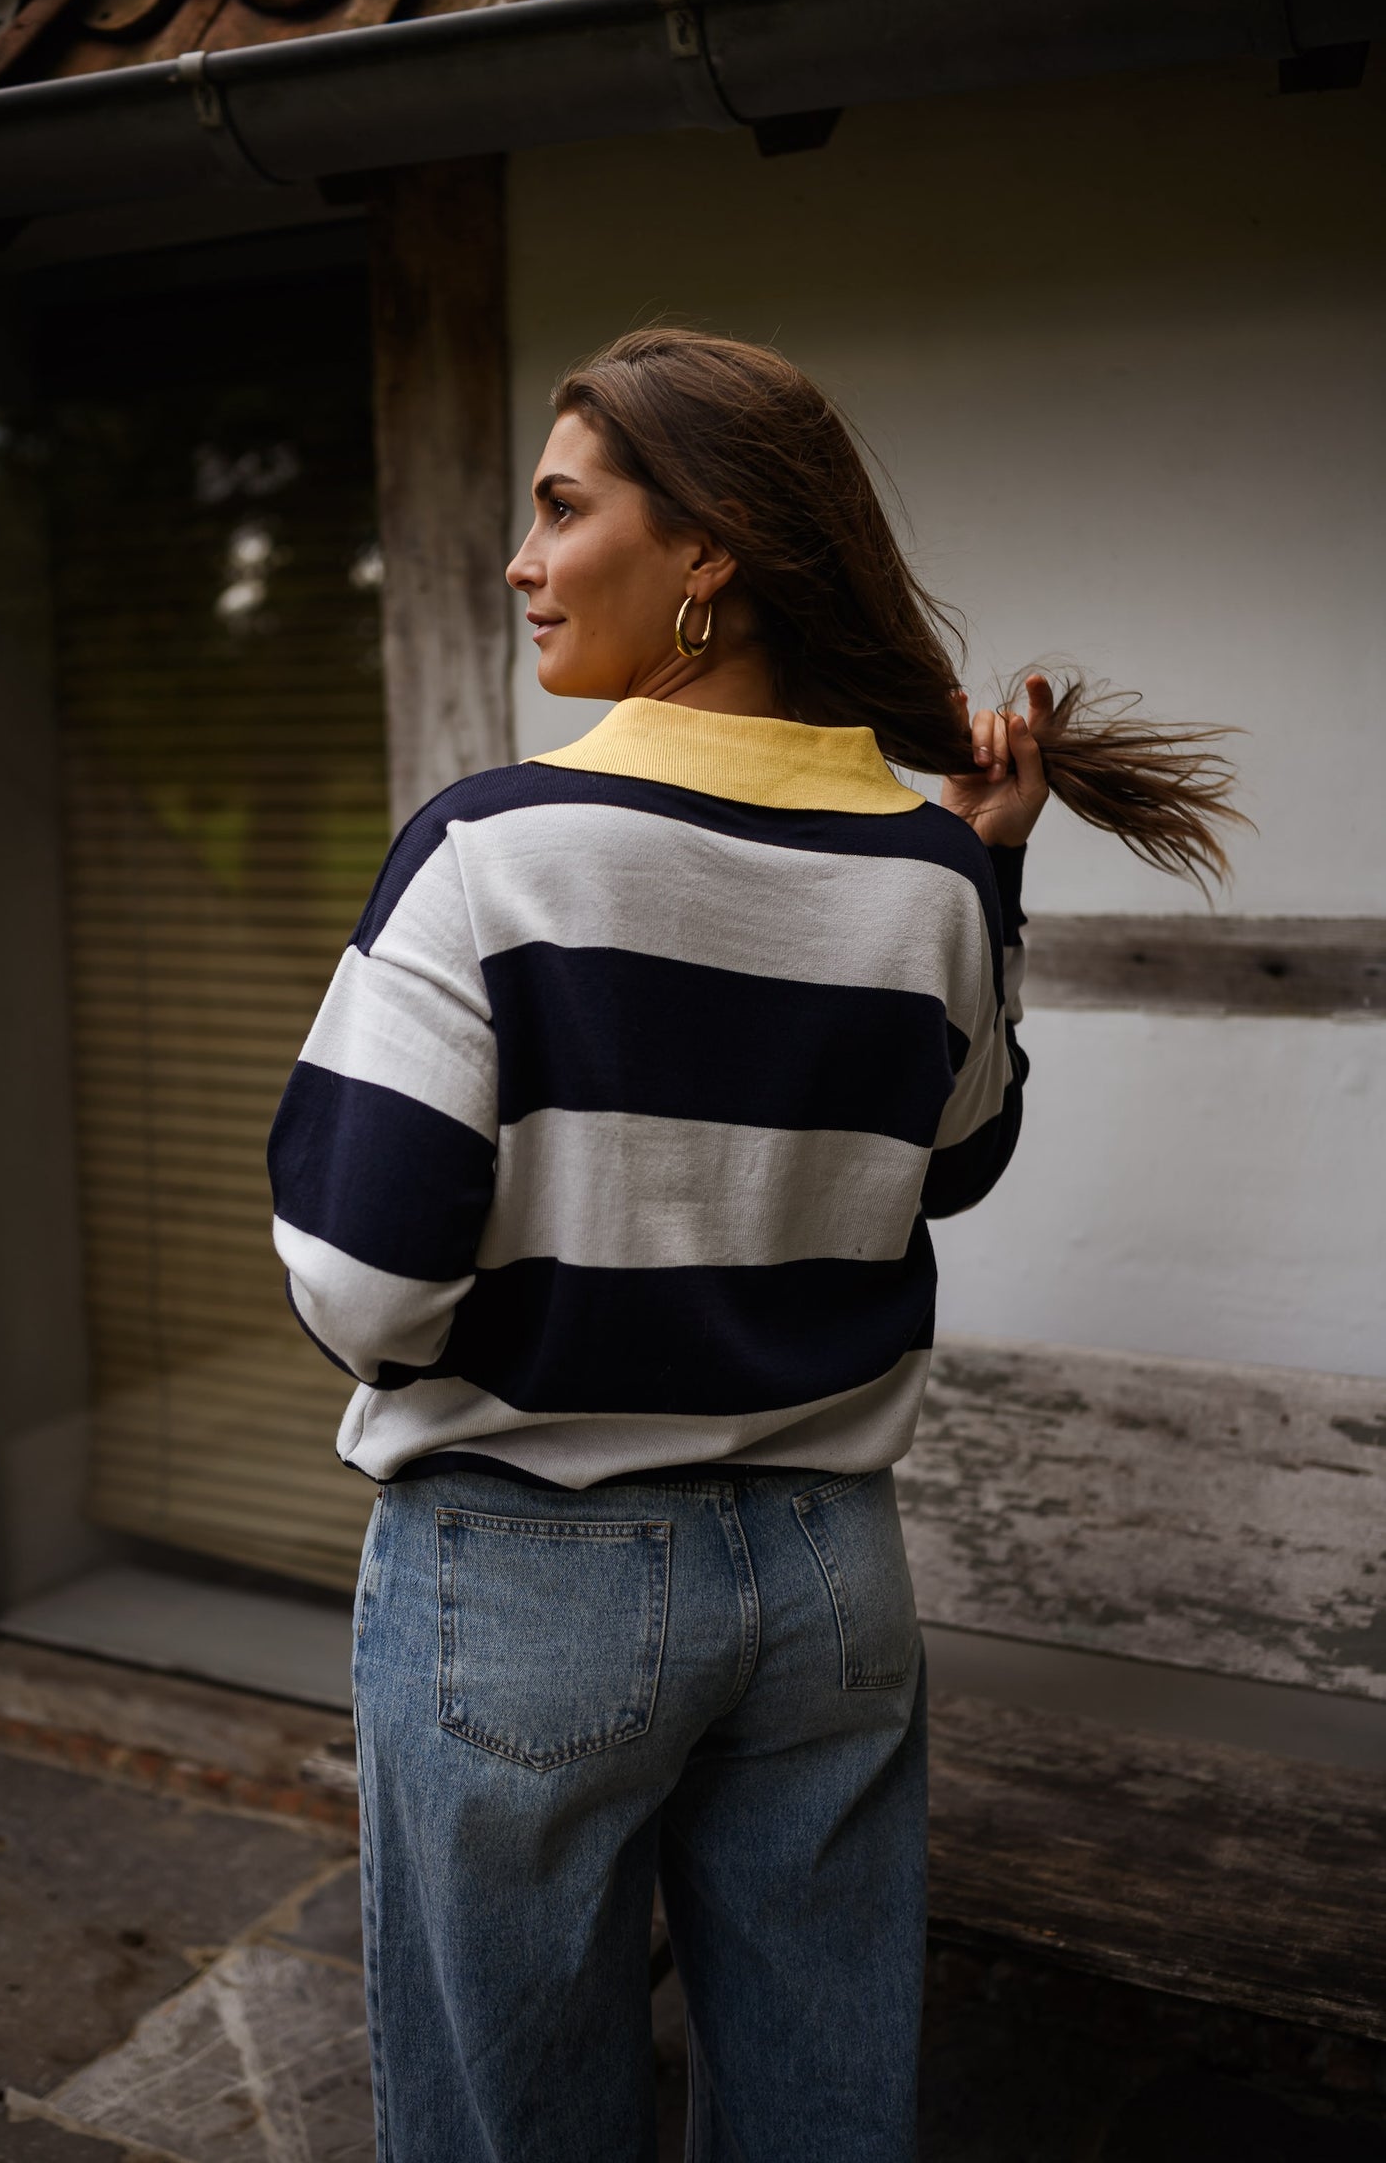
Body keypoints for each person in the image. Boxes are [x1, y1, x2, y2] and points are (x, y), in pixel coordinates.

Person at [268, 328, 1242, 2162]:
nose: (520, 559)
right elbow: (957, 1163)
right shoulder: (933, 874)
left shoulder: (490, 851)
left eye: (562, 508)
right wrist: (989, 865)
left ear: (704, 548)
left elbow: (359, 1280)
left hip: (526, 1577)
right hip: (826, 1586)